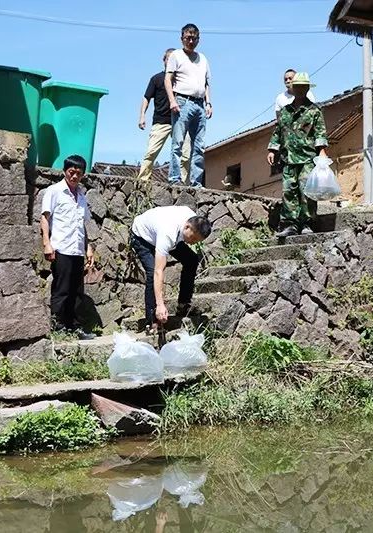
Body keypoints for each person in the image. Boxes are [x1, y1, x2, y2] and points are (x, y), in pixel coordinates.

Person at [41, 154, 96, 340]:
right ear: (65, 171)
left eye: (78, 173)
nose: (74, 176)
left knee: (77, 291)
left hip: (77, 249)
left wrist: (88, 248)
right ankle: (58, 327)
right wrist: (46, 244)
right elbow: (45, 218)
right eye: (71, 172)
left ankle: (75, 327)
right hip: (61, 248)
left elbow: (83, 225)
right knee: (61, 290)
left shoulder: (81, 196)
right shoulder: (54, 191)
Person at [267, 72, 328, 238]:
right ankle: (290, 225)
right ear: (292, 89)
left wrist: (322, 153)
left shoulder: (314, 111)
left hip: (307, 158)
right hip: (288, 159)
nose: (300, 90)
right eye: (297, 87)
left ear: (307, 88)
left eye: (303, 87)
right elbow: (278, 130)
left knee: (307, 191)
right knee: (288, 191)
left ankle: (307, 223)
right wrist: (273, 149)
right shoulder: (285, 111)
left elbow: (320, 133)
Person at [130, 206, 211, 330]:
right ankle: (152, 321)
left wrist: (190, 239)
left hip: (163, 232)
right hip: (142, 236)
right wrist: (160, 304)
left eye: (197, 241)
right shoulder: (168, 233)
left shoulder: (193, 220)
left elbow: (186, 237)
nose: (193, 242)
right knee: (152, 272)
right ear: (187, 227)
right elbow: (158, 271)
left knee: (192, 260)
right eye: (193, 238)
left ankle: (183, 305)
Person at [164, 23, 212, 187]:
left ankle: (196, 182)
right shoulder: (175, 56)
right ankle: (175, 179)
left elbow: (206, 83)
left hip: (199, 104)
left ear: (199, 39)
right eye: (188, 38)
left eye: (194, 38)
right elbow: (167, 79)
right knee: (178, 143)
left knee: (199, 146)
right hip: (182, 101)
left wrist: (209, 103)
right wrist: (172, 100)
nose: (191, 41)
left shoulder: (203, 58)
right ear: (182, 38)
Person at [137, 48, 190, 182]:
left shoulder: (182, 79)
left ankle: (182, 182)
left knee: (186, 154)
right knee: (151, 152)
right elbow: (146, 98)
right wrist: (142, 116)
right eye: (169, 59)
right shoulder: (156, 79)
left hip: (180, 121)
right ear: (164, 61)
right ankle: (142, 181)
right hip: (161, 121)